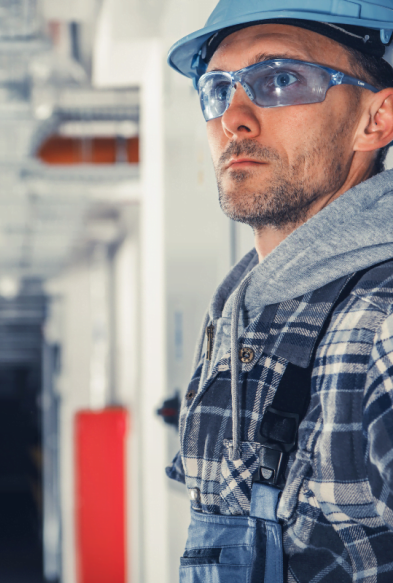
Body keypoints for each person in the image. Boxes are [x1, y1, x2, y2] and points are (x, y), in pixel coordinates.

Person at [165, 1, 393, 582]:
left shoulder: (383, 318)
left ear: (377, 119)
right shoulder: (240, 313)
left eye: (280, 79)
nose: (233, 118)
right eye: (216, 89)